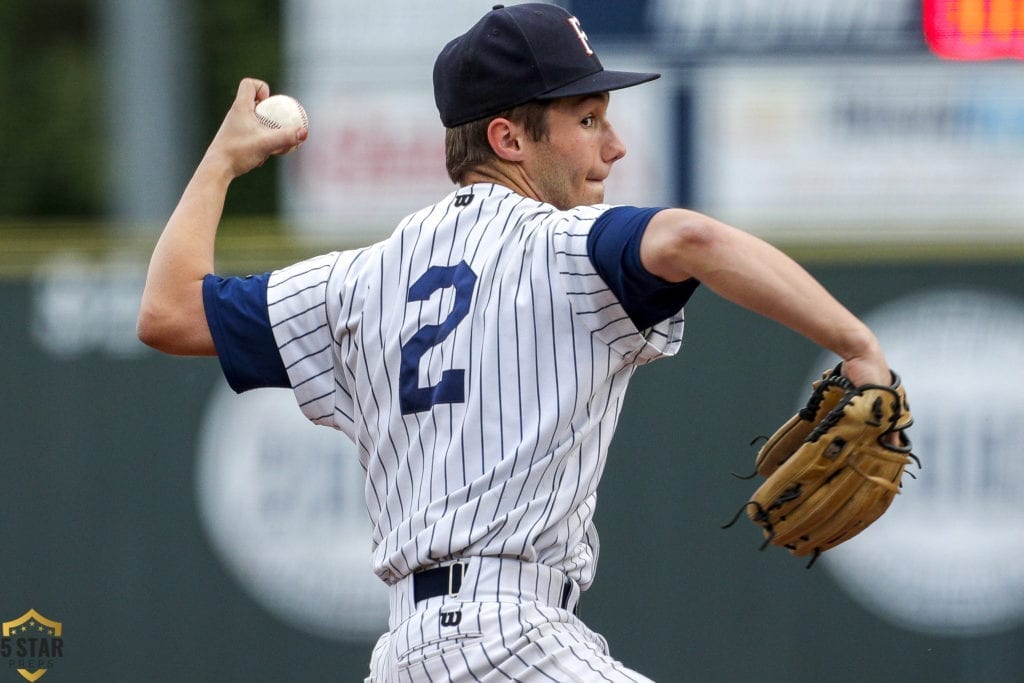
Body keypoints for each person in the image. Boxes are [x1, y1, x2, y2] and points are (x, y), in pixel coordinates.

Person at [138, 4, 894, 681]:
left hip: (404, 655)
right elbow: (692, 237)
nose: (616, 145)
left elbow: (169, 311)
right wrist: (856, 343)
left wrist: (223, 161)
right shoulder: (566, 245)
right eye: (590, 118)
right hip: (508, 639)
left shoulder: (355, 282)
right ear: (508, 137)